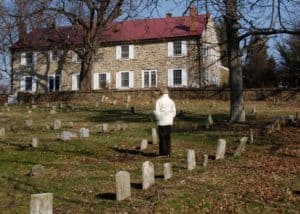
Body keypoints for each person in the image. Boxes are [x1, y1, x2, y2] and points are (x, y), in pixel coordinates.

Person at [153, 88, 176, 156]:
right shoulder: (171, 101)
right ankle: (168, 152)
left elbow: (157, 111)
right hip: (169, 121)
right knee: (168, 137)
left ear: (161, 94)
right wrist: (171, 117)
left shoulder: (159, 101)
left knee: (162, 137)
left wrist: (158, 117)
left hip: (162, 121)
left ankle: (163, 153)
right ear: (168, 93)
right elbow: (174, 112)